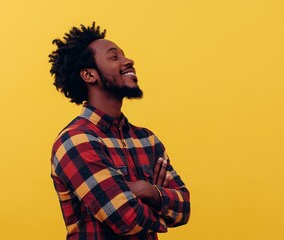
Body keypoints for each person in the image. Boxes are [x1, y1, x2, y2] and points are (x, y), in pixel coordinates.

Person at [49, 22, 190, 240]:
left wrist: (146, 190)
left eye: (124, 56)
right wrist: (161, 205)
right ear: (89, 75)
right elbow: (126, 219)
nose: (128, 61)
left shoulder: (147, 139)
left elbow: (184, 208)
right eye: (114, 57)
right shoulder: (75, 140)